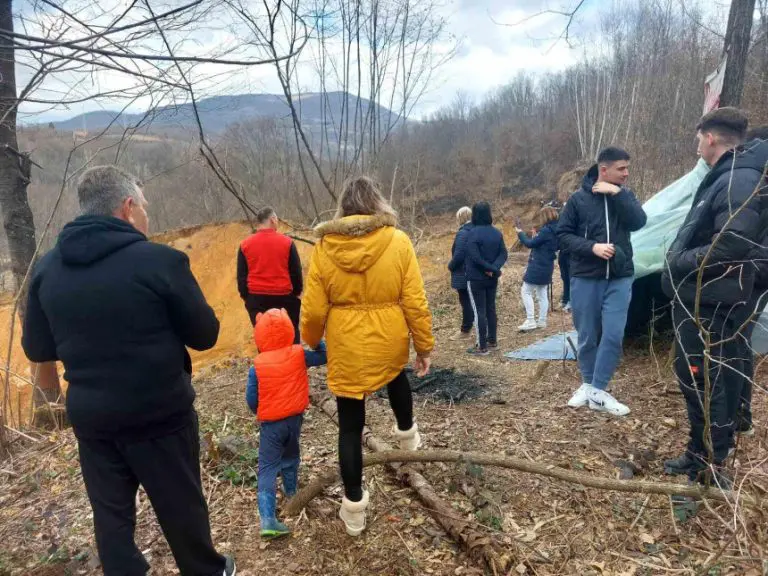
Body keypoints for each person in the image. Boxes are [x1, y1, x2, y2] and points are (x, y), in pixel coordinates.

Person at [21, 166, 235, 576]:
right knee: (181, 506)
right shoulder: (160, 261)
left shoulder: (47, 269)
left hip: (93, 421)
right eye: (145, 207)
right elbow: (205, 335)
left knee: (111, 517)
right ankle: (206, 570)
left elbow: (37, 348)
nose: (148, 216)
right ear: (128, 207)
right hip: (159, 414)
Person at [301, 176, 434, 537]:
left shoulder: (325, 247)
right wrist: (423, 346)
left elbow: (313, 310)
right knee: (396, 376)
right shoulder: (398, 241)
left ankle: (354, 511)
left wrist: (311, 340)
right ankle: (408, 440)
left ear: (343, 207)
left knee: (349, 426)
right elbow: (415, 301)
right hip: (388, 338)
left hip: (346, 346)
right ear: (377, 203)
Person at [661, 108, 766, 485]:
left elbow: (731, 242)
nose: (696, 144)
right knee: (701, 378)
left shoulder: (739, 178)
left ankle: (713, 466)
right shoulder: (731, 174)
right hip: (706, 295)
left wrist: (679, 261)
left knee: (707, 379)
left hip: (712, 298)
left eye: (697, 138)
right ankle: (699, 453)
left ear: (709, 138)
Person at [558, 147, 647, 416]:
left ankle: (597, 389)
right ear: (603, 169)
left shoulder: (626, 195)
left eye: (627, 168)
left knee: (613, 334)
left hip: (620, 276)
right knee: (587, 336)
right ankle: (589, 385)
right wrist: (592, 248)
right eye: (621, 168)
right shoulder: (578, 201)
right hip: (586, 277)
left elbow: (639, 222)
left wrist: (619, 196)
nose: (626, 173)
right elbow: (562, 236)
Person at [245, 308, 326, 539]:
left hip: (271, 425)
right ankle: (291, 493)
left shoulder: (257, 366)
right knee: (290, 456)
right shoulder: (299, 354)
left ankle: (268, 519)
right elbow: (325, 355)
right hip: (294, 420)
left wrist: (259, 412)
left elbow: (251, 399)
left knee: (268, 467)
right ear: (290, 329)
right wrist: (316, 341)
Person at [737, 125, 768, 437]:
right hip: (754, 275)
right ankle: (739, 415)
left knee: (737, 343)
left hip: (754, 278)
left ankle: (739, 416)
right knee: (738, 343)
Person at [238, 206, 303, 343]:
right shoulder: (287, 243)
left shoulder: (245, 245)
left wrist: (247, 297)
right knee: (291, 338)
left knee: (265, 340)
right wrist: (296, 293)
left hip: (257, 300)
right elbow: (296, 273)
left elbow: (241, 276)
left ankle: (267, 364)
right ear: (273, 220)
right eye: (277, 219)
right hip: (284, 299)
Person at [465, 201, 508, 355]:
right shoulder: (496, 233)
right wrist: (494, 268)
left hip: (476, 278)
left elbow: (474, 257)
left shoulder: (472, 233)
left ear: (474, 215)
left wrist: (489, 269)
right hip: (492, 278)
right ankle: (493, 341)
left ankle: (482, 347)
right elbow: (504, 253)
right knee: (490, 308)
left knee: (480, 311)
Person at [516, 206, 559, 331]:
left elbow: (529, 244)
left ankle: (530, 320)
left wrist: (520, 233)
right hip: (548, 265)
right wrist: (536, 238)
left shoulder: (546, 231)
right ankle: (542, 321)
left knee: (526, 291)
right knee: (542, 293)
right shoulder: (557, 229)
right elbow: (545, 245)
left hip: (538, 264)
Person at [447, 206, 474, 340]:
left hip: (463, 273)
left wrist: (450, 266)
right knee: (476, 301)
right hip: (474, 272)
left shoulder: (463, 233)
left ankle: (465, 330)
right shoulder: (476, 230)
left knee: (466, 301)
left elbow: (459, 255)